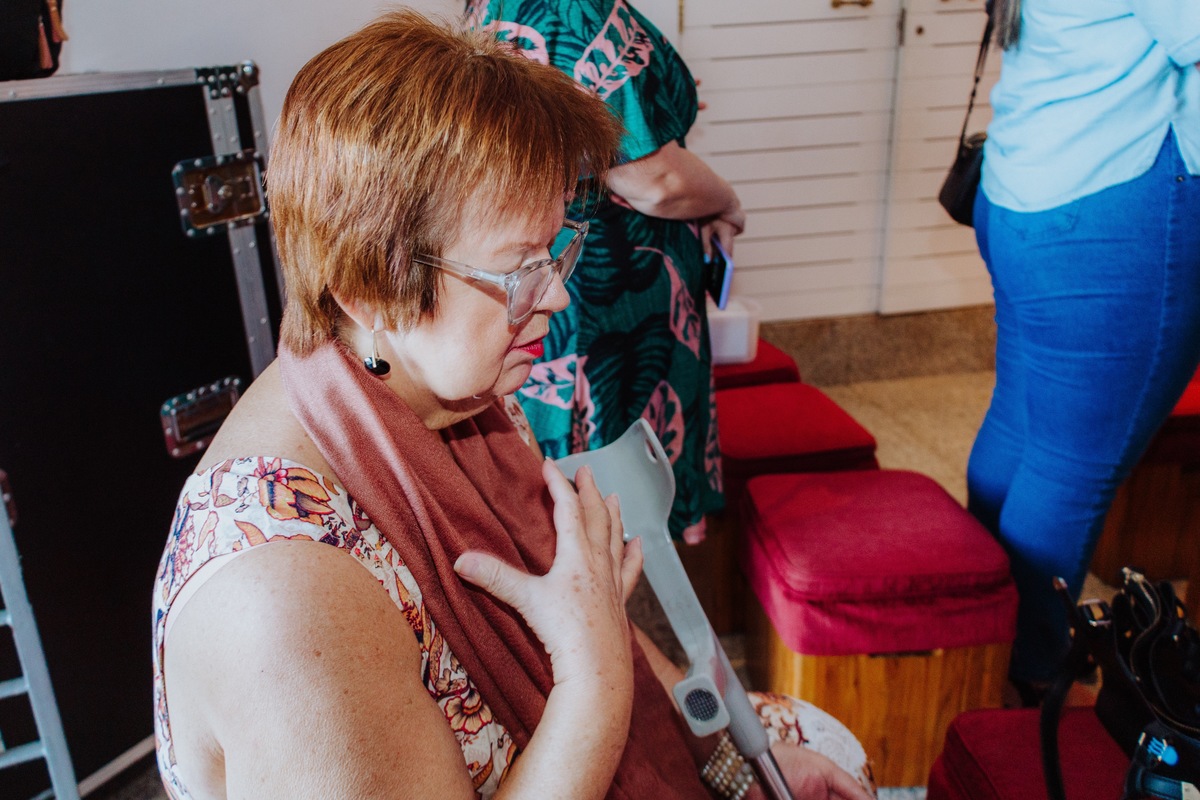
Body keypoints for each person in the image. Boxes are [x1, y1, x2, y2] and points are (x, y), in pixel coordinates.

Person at [151, 11, 875, 799]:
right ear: (369, 289)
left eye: (554, 251)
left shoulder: (453, 391)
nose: (556, 294)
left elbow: (581, 609)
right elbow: (593, 639)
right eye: (519, 269)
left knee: (827, 748)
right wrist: (595, 678)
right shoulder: (284, 606)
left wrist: (736, 767)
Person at [969, 0, 1200, 700]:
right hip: (1110, 208)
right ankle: (1035, 676)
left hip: (1031, 186)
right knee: (1072, 466)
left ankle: (988, 637)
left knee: (1024, 428)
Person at [465, 0, 745, 543]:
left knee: (577, 481)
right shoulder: (573, 7)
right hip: (609, 292)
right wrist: (729, 203)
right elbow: (655, 181)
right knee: (610, 490)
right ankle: (611, 580)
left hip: (566, 272)